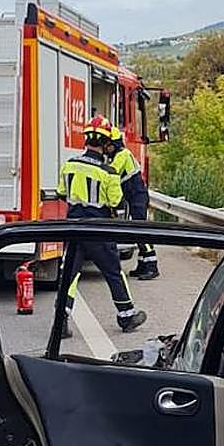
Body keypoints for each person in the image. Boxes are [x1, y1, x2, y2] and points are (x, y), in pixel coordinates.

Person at [56, 115, 147, 337]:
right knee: (113, 272)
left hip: (74, 228)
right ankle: (126, 315)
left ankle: (61, 320)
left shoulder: (69, 165)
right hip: (99, 229)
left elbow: (61, 193)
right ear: (106, 144)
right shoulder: (108, 172)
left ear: (85, 139)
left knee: (70, 274)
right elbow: (115, 202)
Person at [108, 126, 157, 280]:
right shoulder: (120, 154)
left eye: (108, 145)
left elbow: (112, 171)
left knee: (141, 232)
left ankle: (151, 267)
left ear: (115, 144)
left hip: (137, 198)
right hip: (134, 198)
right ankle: (143, 265)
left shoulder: (122, 155)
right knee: (138, 232)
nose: (106, 148)